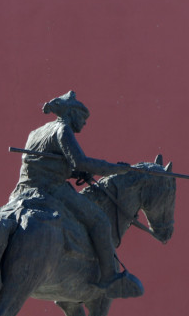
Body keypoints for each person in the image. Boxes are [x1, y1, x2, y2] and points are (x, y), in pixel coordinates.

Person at [9, 91, 142, 298]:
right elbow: (80, 161)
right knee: (100, 221)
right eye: (83, 117)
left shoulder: (35, 132)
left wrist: (75, 173)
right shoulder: (62, 129)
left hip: (23, 191)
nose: (85, 123)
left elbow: (44, 165)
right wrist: (116, 169)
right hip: (51, 189)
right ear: (71, 113)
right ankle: (108, 277)